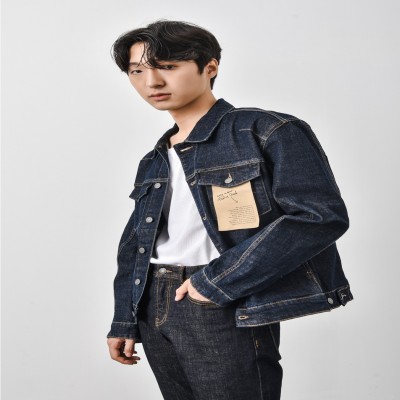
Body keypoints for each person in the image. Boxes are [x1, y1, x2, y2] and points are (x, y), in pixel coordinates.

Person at [106, 19, 353, 400]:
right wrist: (124, 317)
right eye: (137, 71)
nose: (152, 82)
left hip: (219, 297)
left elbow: (318, 217)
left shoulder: (266, 130)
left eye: (167, 67)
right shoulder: (154, 159)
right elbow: (136, 243)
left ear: (210, 67)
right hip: (152, 300)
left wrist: (214, 283)